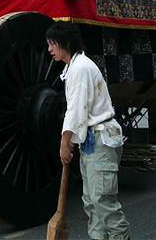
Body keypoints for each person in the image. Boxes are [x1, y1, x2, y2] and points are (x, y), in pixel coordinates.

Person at [46, 22, 130, 240]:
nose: (50, 49)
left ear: (67, 43)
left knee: (103, 204)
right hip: (93, 142)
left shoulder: (81, 68)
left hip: (101, 140)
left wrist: (65, 142)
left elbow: (76, 110)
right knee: (92, 202)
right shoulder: (73, 68)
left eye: (52, 43)